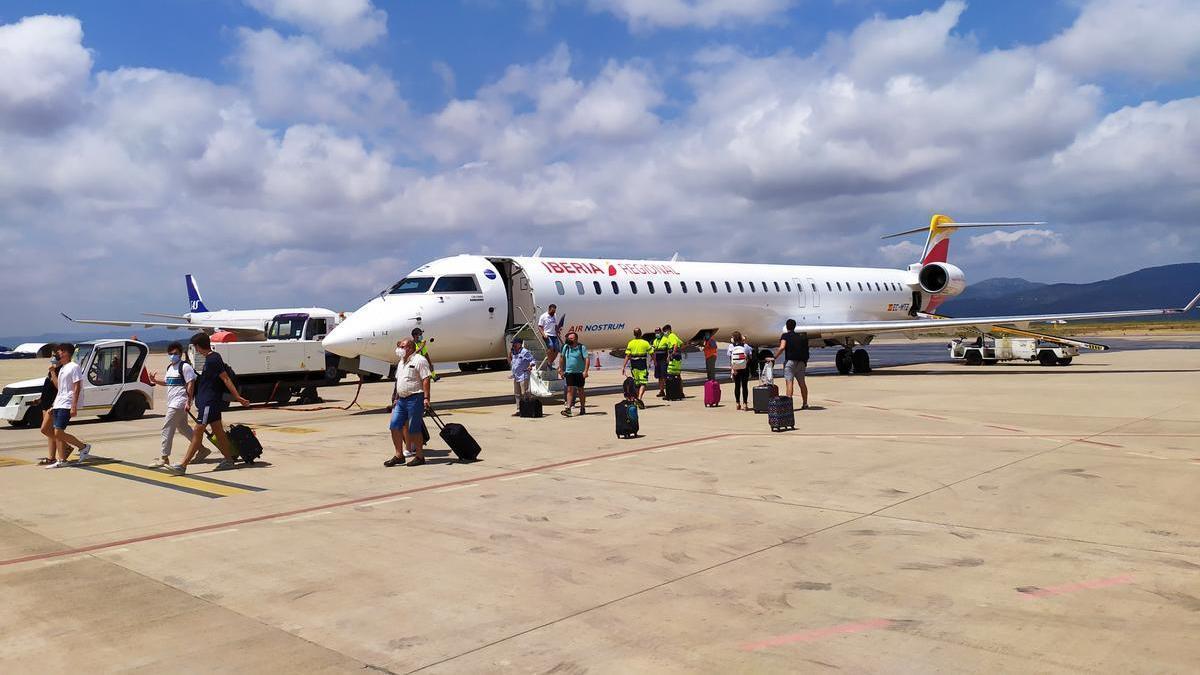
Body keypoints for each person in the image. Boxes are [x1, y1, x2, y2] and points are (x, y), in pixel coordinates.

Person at [168, 333, 249, 474]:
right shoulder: (210, 359)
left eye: (196, 347)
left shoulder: (213, 359)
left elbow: (226, 379)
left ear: (199, 346)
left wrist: (238, 397)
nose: (196, 350)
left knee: (197, 431)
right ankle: (229, 460)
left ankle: (183, 465)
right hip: (210, 402)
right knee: (219, 432)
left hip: (209, 403)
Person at [146, 342, 211, 467]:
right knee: (183, 428)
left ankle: (164, 457)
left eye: (175, 354)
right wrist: (155, 381)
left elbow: (190, 383)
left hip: (179, 403)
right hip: (173, 402)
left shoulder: (185, 367)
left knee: (167, 428)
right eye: (170, 354)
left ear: (181, 354)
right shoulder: (170, 367)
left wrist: (189, 401)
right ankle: (202, 449)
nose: (173, 356)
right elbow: (167, 382)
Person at [385, 338, 432, 467]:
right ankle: (399, 455)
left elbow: (426, 379)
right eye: (399, 346)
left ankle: (419, 456)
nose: (399, 349)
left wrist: (426, 398)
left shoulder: (419, 360)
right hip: (401, 400)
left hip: (415, 398)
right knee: (394, 426)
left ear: (410, 348)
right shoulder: (401, 362)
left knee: (413, 428)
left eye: (402, 346)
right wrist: (396, 398)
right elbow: (399, 380)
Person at [44, 343, 91, 468]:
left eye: (60, 351)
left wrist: (74, 405)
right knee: (56, 432)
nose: (58, 354)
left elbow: (77, 386)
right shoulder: (63, 368)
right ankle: (62, 460)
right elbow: (60, 388)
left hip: (67, 403)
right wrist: (53, 372)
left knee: (58, 432)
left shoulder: (74, 367)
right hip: (59, 403)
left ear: (67, 353)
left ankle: (83, 447)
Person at [774, 319, 810, 409]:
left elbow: (782, 347)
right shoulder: (800, 337)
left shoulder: (785, 336)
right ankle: (805, 403)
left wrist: (774, 357)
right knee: (802, 383)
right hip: (801, 362)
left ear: (786, 326)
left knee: (789, 383)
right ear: (794, 326)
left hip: (790, 362)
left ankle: (788, 405)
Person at [558, 331, 589, 417]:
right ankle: (568, 408)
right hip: (569, 372)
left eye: (571, 338)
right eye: (568, 338)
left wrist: (585, 371)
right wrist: (560, 369)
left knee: (580, 390)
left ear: (576, 339)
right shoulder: (566, 347)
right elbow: (561, 358)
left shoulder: (581, 347)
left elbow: (587, 359)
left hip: (579, 372)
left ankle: (582, 407)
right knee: (569, 390)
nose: (569, 340)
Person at [621, 328, 653, 409]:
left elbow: (627, 356)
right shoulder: (645, 343)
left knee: (637, 384)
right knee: (643, 383)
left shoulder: (631, 343)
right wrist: (654, 361)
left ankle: (636, 398)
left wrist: (623, 366)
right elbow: (652, 353)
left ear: (634, 334)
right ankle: (639, 398)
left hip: (634, 366)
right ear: (641, 333)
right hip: (642, 365)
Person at [508, 336, 535, 416]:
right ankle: (519, 409)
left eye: (515, 343)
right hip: (516, 376)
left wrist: (530, 366)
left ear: (520, 344)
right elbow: (513, 362)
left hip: (523, 375)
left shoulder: (525, 352)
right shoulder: (513, 352)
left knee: (525, 393)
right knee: (517, 393)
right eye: (513, 344)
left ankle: (528, 408)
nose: (513, 345)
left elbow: (532, 360)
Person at [728, 332, 754, 411]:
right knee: (744, 386)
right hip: (744, 368)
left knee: (737, 386)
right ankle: (745, 404)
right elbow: (750, 356)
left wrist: (733, 369)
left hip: (736, 369)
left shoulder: (731, 346)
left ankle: (737, 403)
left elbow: (730, 359)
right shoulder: (745, 346)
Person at [537, 304, 562, 369]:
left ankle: (550, 362)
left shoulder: (554, 315)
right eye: (552, 312)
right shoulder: (543, 316)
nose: (553, 313)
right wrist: (543, 334)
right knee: (551, 347)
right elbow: (540, 326)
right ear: (549, 309)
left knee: (557, 350)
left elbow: (556, 325)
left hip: (554, 335)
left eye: (554, 312)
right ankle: (549, 361)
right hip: (547, 335)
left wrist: (558, 331)